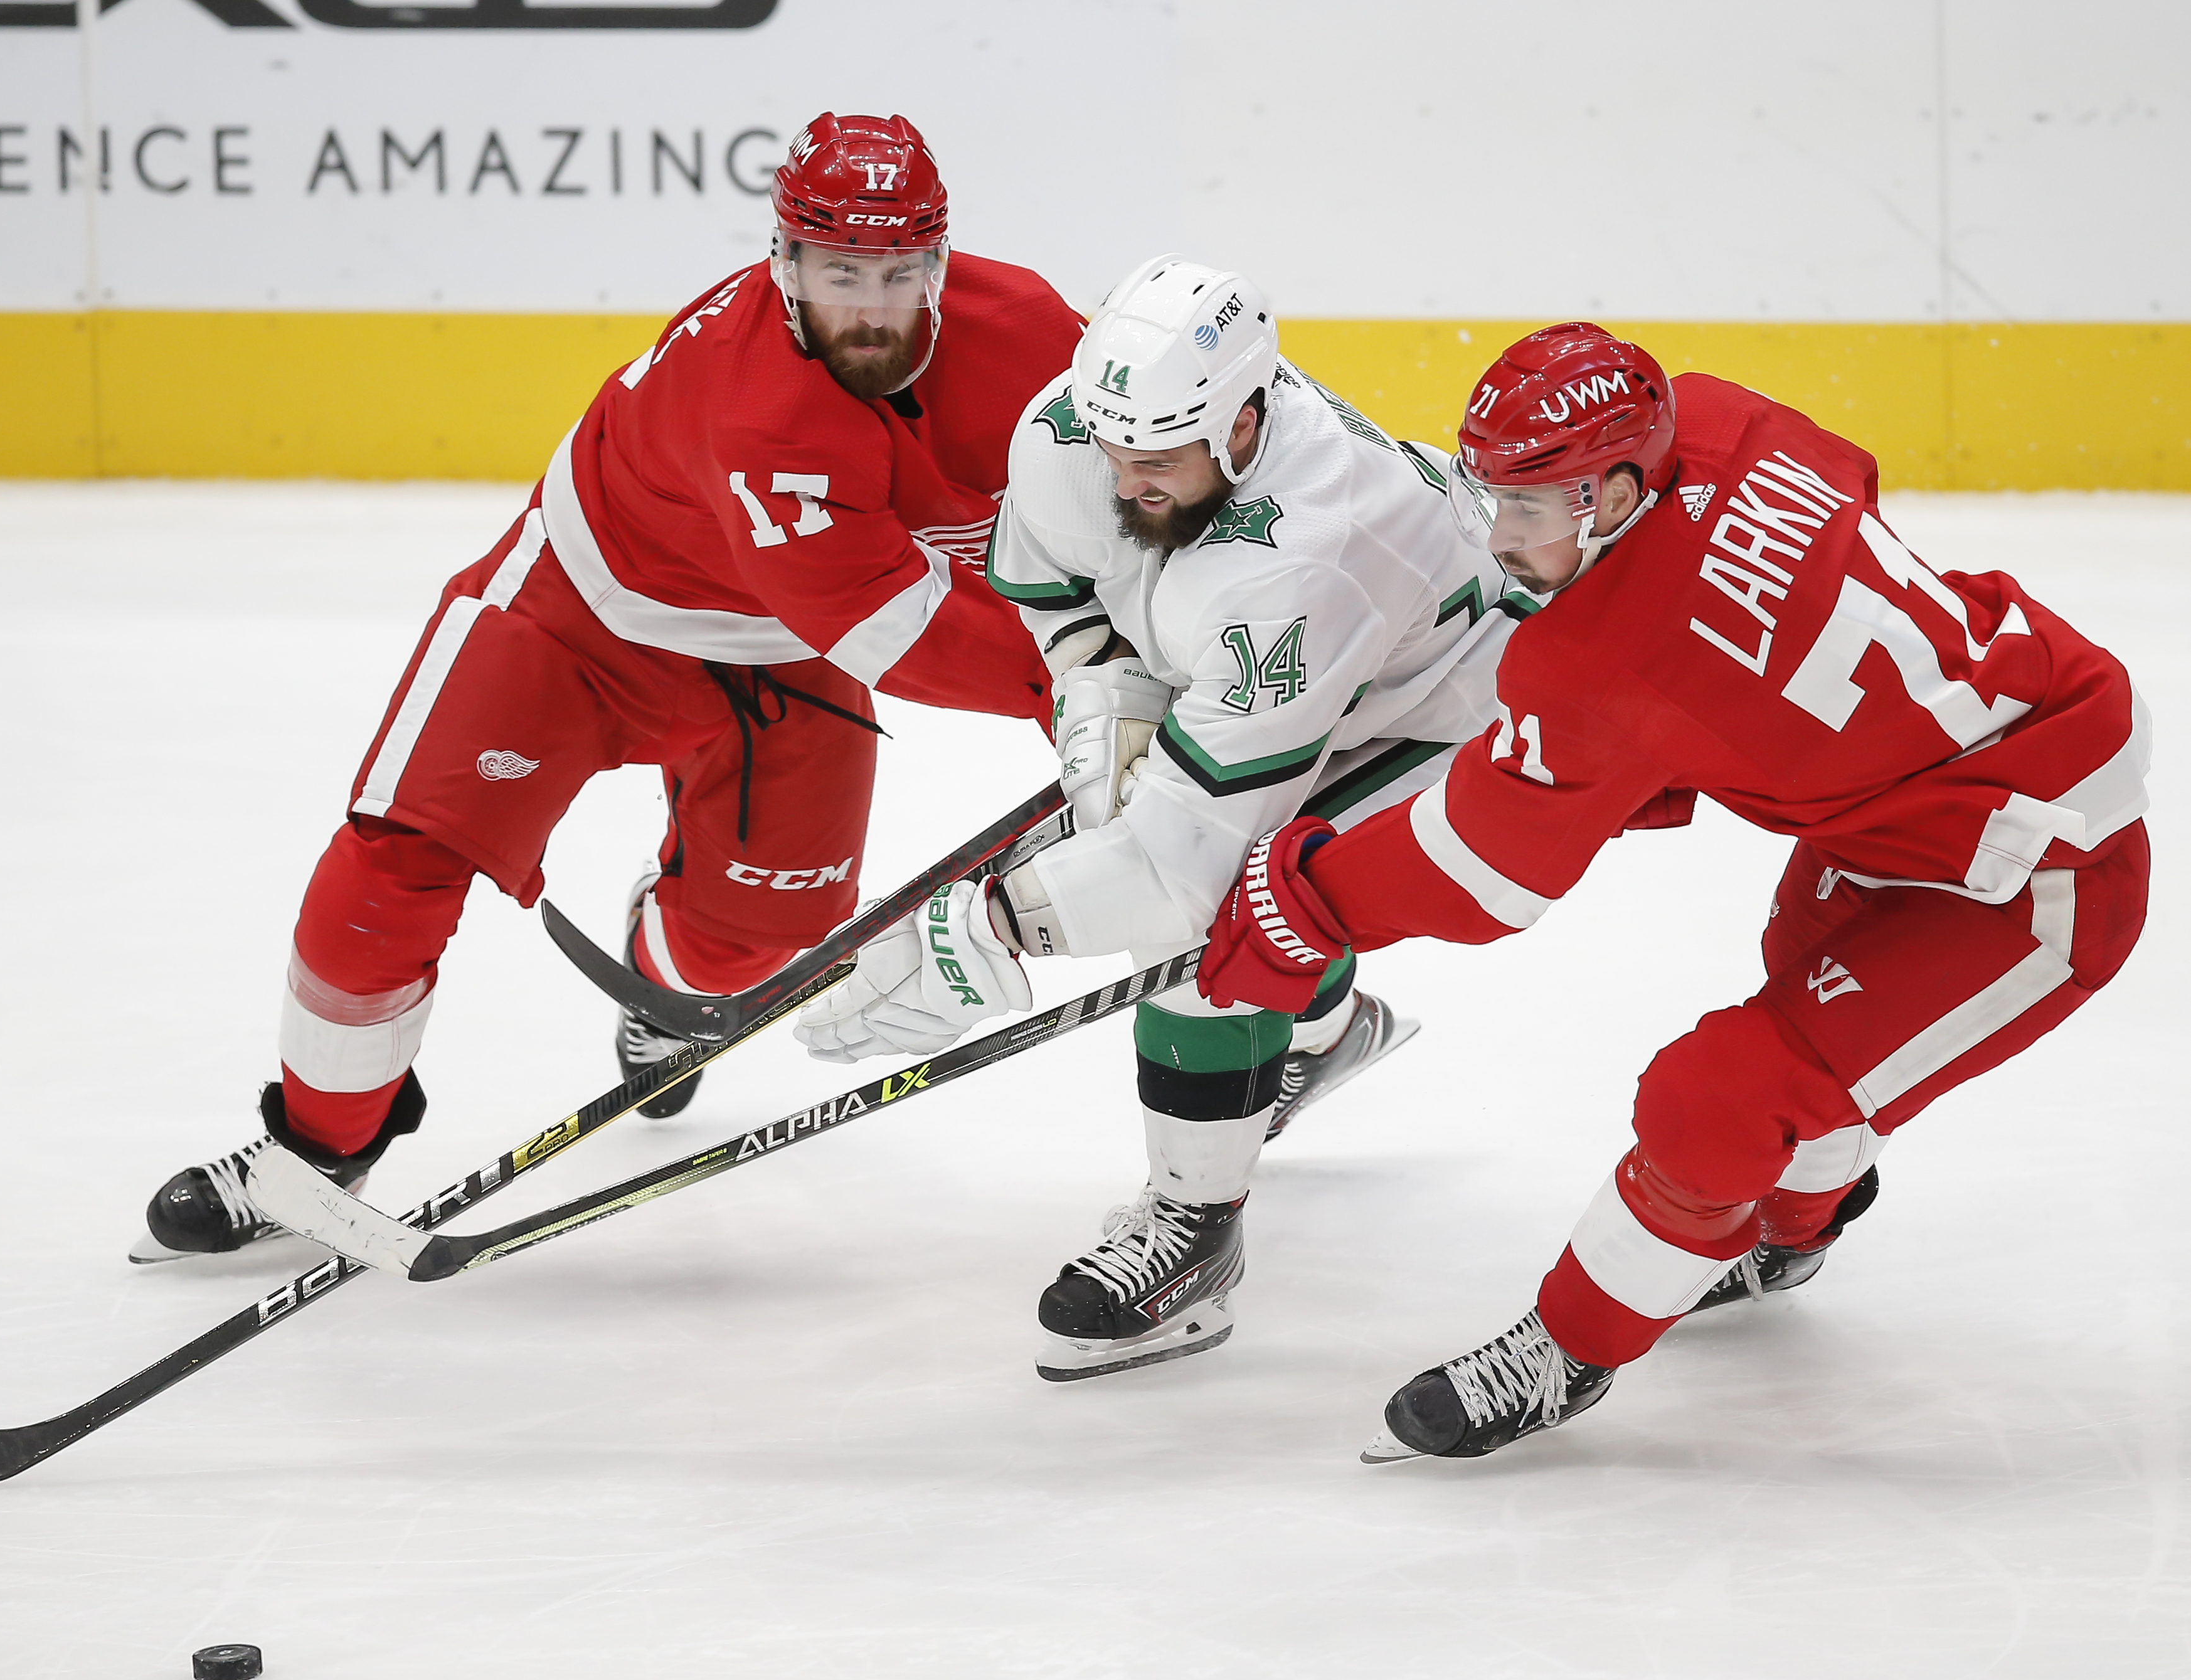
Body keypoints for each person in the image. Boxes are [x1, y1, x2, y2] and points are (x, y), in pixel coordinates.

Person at [132, 113, 1082, 1261]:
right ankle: (317, 1152)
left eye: (898, 272)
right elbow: (900, 624)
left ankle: (650, 979)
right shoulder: (761, 407)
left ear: (939, 262)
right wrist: (1090, 694)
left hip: (782, 645)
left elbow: (1133, 488)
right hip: (580, 617)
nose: (872, 306)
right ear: (782, 264)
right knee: (391, 870)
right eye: (839, 271)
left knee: (753, 940)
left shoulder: (1027, 328)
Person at [1198, 323, 2151, 1459]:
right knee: (1802, 999)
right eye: (1491, 496)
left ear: (1611, 493)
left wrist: (1300, 901)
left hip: (2037, 873)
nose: (1501, 539)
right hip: (1960, 762)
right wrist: (1692, 734)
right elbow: (1842, 490)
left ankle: (1566, 1350)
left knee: (1726, 1096)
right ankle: (1798, 1230)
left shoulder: (1598, 668)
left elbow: (1485, 872)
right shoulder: (1716, 417)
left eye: (1532, 510)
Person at [795, 257, 1532, 1380]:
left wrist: (994, 930)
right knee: (1142, 849)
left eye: (1159, 458)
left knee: (1214, 925)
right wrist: (1106, 691)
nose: (1126, 475)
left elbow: (1187, 869)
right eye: (1112, 446)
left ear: (1244, 422)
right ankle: (1322, 1033)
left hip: (1442, 704)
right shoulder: (1076, 432)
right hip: (1277, 674)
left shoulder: (1311, 546)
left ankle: (1194, 1232)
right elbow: (1052, 588)